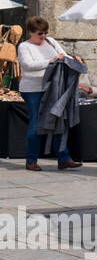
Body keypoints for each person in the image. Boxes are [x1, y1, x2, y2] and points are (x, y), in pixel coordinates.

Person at [16, 17, 81, 172]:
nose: (43, 36)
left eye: (45, 32)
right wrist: (51, 60)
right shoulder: (24, 47)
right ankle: (31, 160)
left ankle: (63, 158)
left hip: (53, 87)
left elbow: (63, 56)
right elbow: (28, 66)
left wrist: (75, 60)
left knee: (57, 121)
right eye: (40, 34)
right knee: (36, 123)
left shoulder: (50, 41)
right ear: (30, 32)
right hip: (33, 89)